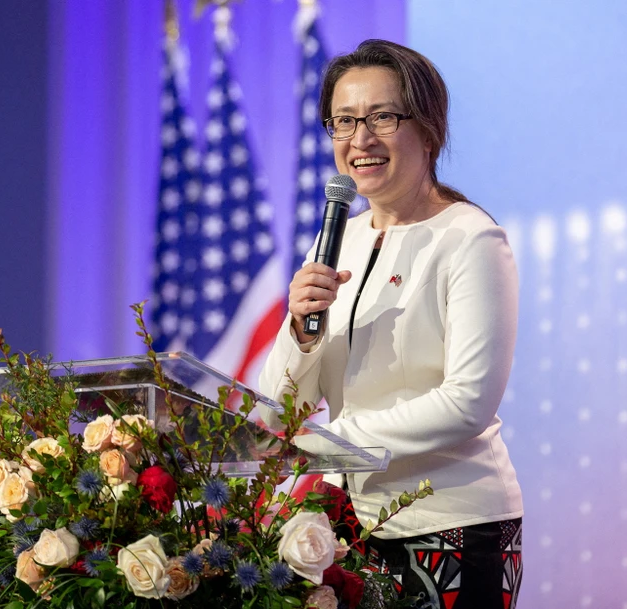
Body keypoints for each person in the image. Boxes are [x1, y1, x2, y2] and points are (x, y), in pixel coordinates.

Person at [258, 39, 522, 609]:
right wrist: (301, 333)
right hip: (346, 531)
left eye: (381, 117)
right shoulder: (340, 238)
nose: (360, 140)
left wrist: (329, 445)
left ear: (427, 128)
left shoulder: (469, 238)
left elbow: (467, 400)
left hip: (450, 525)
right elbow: (277, 408)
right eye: (344, 122)